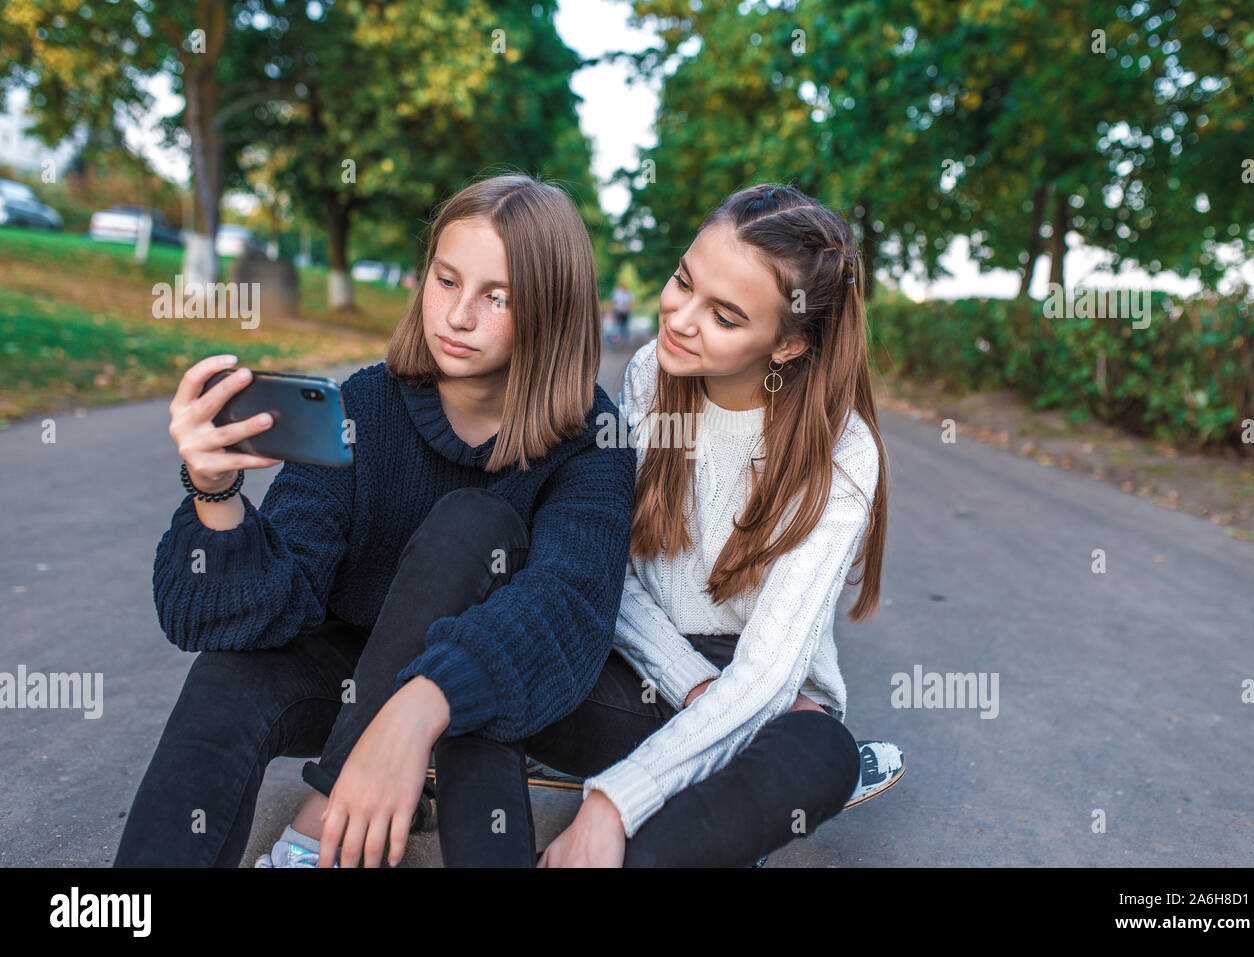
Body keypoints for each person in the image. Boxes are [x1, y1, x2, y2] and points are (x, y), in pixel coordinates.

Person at [112, 172, 636, 868]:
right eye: (446, 280)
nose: (457, 315)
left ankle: (323, 823)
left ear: (552, 311)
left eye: (498, 296)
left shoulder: (589, 435)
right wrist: (215, 490)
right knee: (227, 674)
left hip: (491, 683)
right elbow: (263, 605)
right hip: (348, 674)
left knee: (472, 524)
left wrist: (417, 710)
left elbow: (565, 608)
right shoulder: (365, 406)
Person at [435, 182, 893, 867]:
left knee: (822, 753)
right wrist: (686, 680)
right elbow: (603, 569)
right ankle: (701, 799)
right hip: (642, 674)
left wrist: (611, 802)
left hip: (769, 702)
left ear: (790, 344)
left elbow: (767, 675)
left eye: (727, 316)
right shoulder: (652, 374)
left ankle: (674, 819)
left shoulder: (842, 449)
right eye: (683, 281)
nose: (680, 317)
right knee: (491, 672)